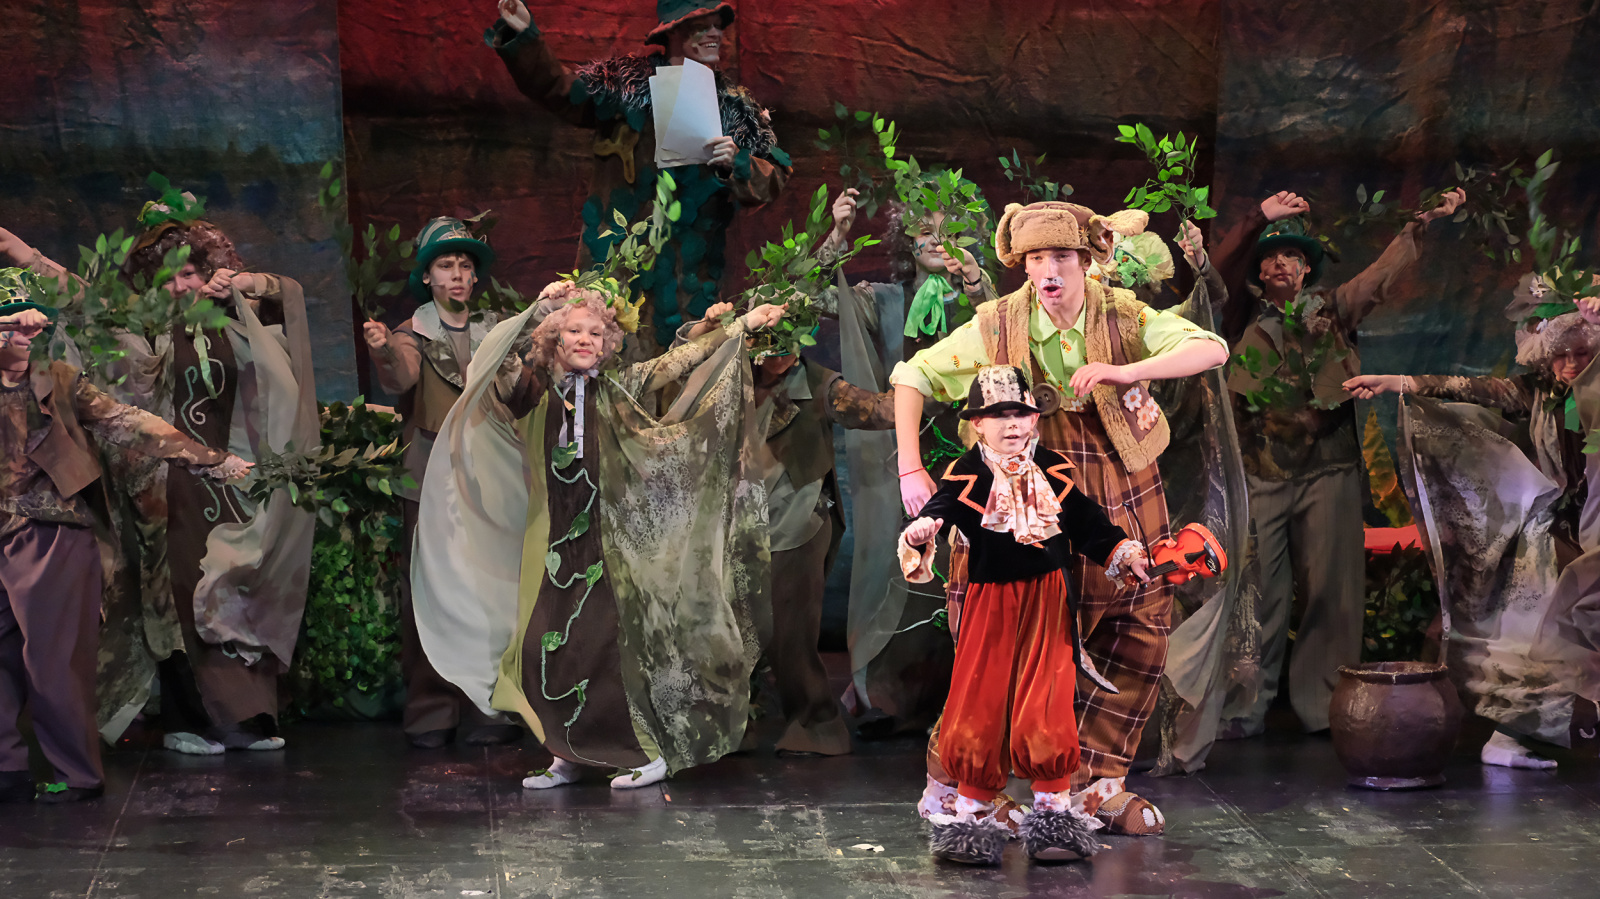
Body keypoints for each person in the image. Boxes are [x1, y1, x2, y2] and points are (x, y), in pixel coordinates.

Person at [891, 201, 1229, 836]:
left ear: (1086, 259)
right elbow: (912, 375)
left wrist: (1125, 371)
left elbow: (1209, 348)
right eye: (1036, 258)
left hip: (1122, 476)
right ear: (1022, 264)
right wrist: (911, 468)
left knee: (1136, 627)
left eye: (1062, 256)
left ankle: (1095, 788)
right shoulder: (997, 324)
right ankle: (962, 788)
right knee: (1002, 645)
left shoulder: (1122, 315)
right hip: (1021, 487)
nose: (1049, 271)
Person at [411, 278, 787, 789]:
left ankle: (645, 752)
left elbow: (681, 360)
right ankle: (566, 753)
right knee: (542, 645)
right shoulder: (531, 393)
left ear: (607, 342)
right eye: (573, 331)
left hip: (610, 539)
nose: (585, 339)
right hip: (551, 540)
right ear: (555, 338)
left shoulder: (619, 387)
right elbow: (494, 360)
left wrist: (743, 324)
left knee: (610, 646)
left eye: (594, 332)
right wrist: (539, 307)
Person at [1210, 187, 1466, 737]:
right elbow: (1215, 274)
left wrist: (1419, 222)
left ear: (1307, 269)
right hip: (1260, 473)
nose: (1280, 263)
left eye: (1292, 256)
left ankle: (1324, 705)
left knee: (1332, 591)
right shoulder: (1237, 316)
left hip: (1328, 469)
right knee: (1257, 592)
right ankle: (1242, 707)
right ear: (1259, 270)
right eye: (1270, 256)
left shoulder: (1333, 311)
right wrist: (1257, 218)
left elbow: (1379, 278)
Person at [0, 289, 250, 803]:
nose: (26, 334)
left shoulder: (57, 381)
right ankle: (5, 766)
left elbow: (128, 422)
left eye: (32, 326)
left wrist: (204, 457)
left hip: (50, 532)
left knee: (55, 662)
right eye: (13, 325)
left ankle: (76, 774)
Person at [898, 365, 1150, 864]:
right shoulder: (968, 473)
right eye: (998, 415)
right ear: (977, 424)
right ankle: (971, 822)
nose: (1011, 425)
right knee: (980, 699)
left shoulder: (1053, 469)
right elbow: (942, 507)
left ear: (1034, 419)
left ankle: (1053, 820)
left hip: (1048, 601)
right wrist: (924, 527)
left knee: (1049, 699)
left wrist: (1122, 551)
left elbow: (1087, 522)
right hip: (990, 604)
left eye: (1020, 414)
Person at [1345, 291, 1600, 769]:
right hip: (1557, 535)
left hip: (1592, 530)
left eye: (1582, 353)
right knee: (1538, 641)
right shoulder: (1540, 392)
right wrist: (1399, 382)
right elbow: (1472, 388)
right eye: (1560, 354)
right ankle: (1509, 738)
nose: (1570, 364)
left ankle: (1517, 735)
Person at [485, 0, 790, 355]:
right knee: (606, 364)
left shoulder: (734, 108)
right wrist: (525, 35)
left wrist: (737, 163)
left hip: (689, 285)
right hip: (617, 272)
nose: (715, 33)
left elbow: (774, 176)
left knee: (681, 370)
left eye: (718, 25)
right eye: (702, 25)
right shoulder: (623, 88)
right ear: (673, 31)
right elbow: (559, 89)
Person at [680, 299, 896, 756]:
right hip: (734, 522)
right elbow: (680, 368)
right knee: (726, 626)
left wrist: (925, 384)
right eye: (769, 343)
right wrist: (707, 325)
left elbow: (878, 410)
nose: (780, 355)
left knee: (790, 630)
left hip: (795, 522)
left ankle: (817, 723)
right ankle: (735, 723)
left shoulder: (819, 384)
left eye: (789, 344)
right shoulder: (728, 376)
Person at [820, 187, 998, 737]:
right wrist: (837, 236)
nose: (937, 241)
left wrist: (972, 281)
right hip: (907, 456)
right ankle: (893, 694)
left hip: (973, 453)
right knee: (908, 569)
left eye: (950, 232)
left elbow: (1003, 327)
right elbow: (818, 298)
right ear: (906, 240)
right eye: (925, 230)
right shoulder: (886, 299)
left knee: (967, 567)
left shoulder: (980, 297)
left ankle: (967, 697)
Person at [364, 217, 524, 749]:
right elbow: (403, 375)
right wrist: (383, 349)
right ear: (427, 276)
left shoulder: (494, 330)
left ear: (474, 277)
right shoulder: (412, 333)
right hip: (429, 474)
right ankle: (432, 708)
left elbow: (519, 388)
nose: (456, 274)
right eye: (445, 265)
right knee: (430, 591)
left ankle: (488, 705)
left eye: (464, 266)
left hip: (486, 474)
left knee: (485, 588)